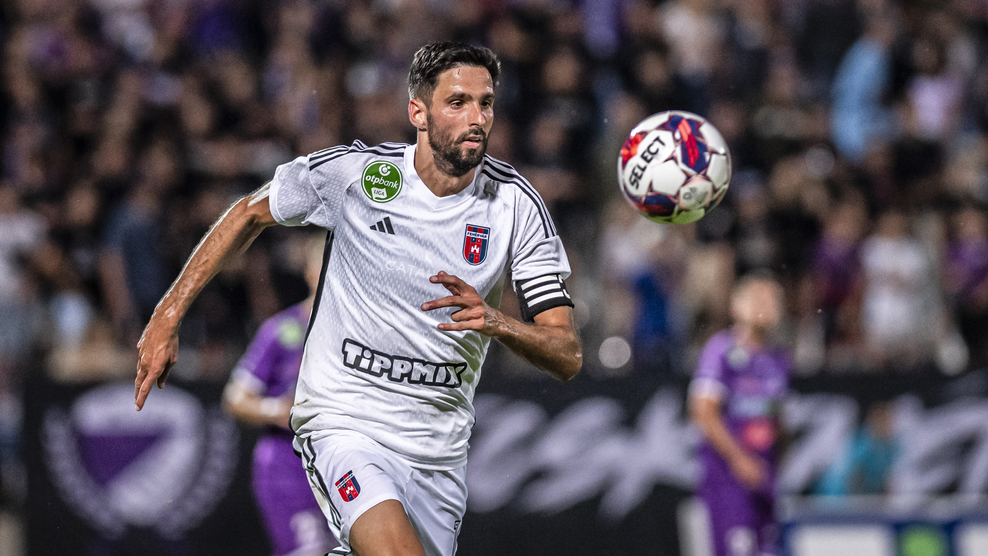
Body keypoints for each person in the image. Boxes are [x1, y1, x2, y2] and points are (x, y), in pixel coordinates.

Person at [135, 42, 582, 556]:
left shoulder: (516, 205)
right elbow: (248, 214)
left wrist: (497, 322)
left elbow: (567, 354)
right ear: (418, 112)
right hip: (344, 422)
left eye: (486, 103)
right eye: (458, 102)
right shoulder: (358, 176)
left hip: (437, 454)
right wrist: (167, 315)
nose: (477, 118)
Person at [222, 236, 337, 556]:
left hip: (343, 465)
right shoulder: (282, 330)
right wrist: (282, 411)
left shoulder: (363, 333)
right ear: (309, 272)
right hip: (288, 467)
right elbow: (235, 399)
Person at [689, 273, 790, 556]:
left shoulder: (779, 358)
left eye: (771, 300)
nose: (764, 306)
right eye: (757, 298)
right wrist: (739, 460)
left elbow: (777, 419)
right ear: (737, 306)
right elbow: (703, 413)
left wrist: (779, 463)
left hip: (764, 477)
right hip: (729, 481)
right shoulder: (721, 351)